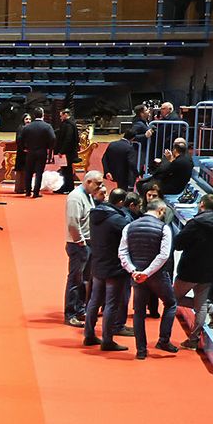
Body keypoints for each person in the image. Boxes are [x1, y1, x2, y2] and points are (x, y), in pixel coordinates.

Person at [119, 197, 178, 358]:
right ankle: (163, 340)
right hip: (156, 275)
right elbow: (164, 255)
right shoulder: (164, 228)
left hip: (137, 276)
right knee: (171, 303)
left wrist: (134, 271)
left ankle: (141, 351)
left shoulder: (129, 226)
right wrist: (148, 272)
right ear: (161, 211)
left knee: (139, 312)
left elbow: (122, 252)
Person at [83, 188, 133, 351]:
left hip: (98, 263)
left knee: (94, 301)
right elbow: (130, 231)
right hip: (114, 267)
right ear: (120, 203)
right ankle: (107, 339)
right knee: (111, 304)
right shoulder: (118, 220)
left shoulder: (96, 214)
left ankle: (89, 334)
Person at [174, 193, 213, 350]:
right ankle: (194, 339)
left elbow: (179, 243)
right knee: (200, 304)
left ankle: (211, 310)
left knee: (171, 298)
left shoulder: (195, 223)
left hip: (191, 267)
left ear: (201, 204)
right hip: (209, 267)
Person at [64, 171, 104, 326]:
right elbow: (73, 223)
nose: (100, 187)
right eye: (98, 183)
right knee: (75, 280)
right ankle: (70, 313)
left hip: (87, 242)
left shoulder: (87, 195)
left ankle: (80, 309)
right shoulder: (75, 197)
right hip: (79, 245)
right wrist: (80, 241)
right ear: (88, 182)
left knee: (84, 280)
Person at [16, 108, 56, 198]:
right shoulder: (47, 126)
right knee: (39, 172)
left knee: (28, 171)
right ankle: (36, 192)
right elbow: (53, 138)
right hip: (42, 151)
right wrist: (49, 147)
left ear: (34, 115)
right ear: (43, 115)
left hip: (30, 151)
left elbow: (20, 139)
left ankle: (28, 191)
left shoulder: (28, 126)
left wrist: (24, 148)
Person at [52, 108, 79, 194]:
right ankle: (66, 186)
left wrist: (62, 151)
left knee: (67, 171)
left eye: (61, 115)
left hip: (67, 153)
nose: (60, 117)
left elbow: (68, 139)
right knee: (65, 170)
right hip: (67, 152)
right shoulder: (68, 124)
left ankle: (69, 187)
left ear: (66, 114)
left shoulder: (69, 125)